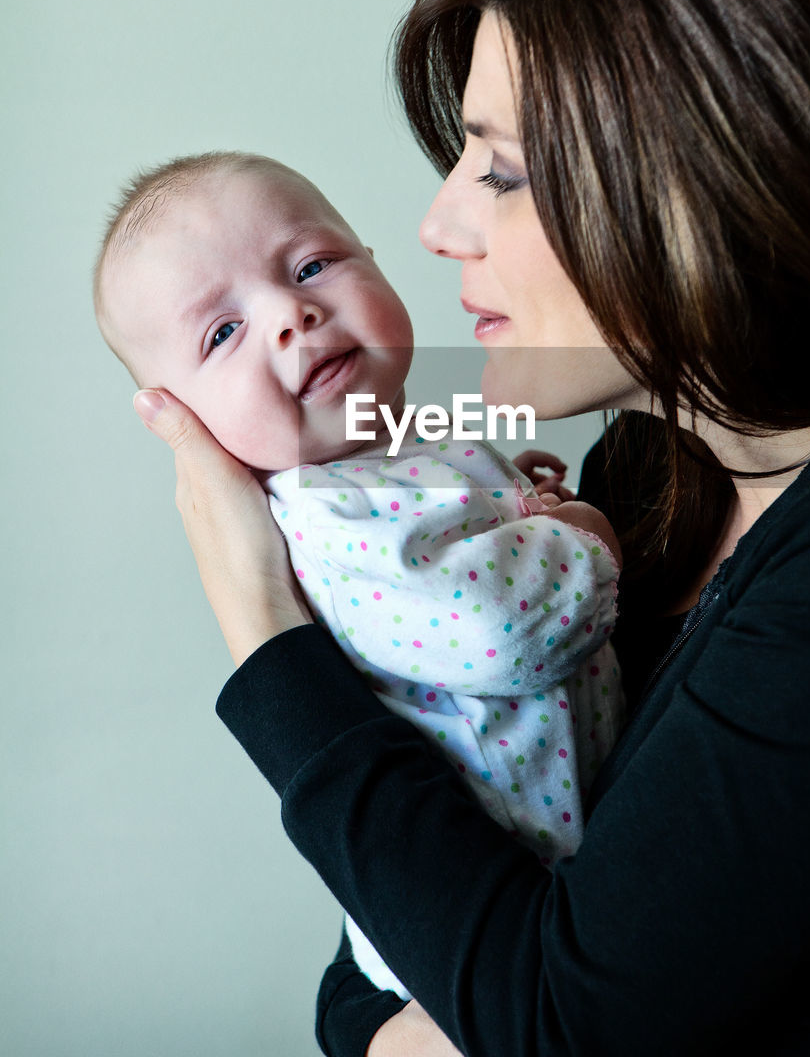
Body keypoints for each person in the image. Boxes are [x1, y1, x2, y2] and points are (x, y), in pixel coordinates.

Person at [128, 0, 810, 1055]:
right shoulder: (644, 468)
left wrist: (263, 631)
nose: (437, 221)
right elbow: (412, 931)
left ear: (704, 179)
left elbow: (544, 1012)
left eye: (502, 172)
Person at [94, 150, 622, 1001]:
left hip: (565, 863)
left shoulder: (401, 443)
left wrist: (513, 499)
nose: (291, 314)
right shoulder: (325, 515)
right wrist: (586, 536)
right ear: (181, 418)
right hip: (490, 911)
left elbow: (459, 542)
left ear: (371, 257)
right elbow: (500, 631)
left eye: (310, 266)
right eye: (222, 332)